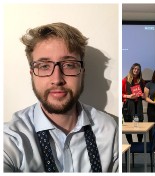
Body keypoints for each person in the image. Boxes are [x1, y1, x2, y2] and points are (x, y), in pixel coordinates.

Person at [3, 23, 118, 172]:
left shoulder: (108, 129)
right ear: (32, 74)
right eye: (44, 66)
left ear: (82, 72)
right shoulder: (11, 139)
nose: (57, 79)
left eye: (69, 65)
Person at [122, 63, 145, 144]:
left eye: (138, 69)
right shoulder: (125, 80)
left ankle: (139, 143)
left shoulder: (141, 81)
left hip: (138, 105)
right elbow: (120, 94)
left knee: (140, 125)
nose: (136, 70)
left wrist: (143, 95)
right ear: (132, 69)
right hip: (128, 105)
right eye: (135, 69)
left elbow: (143, 94)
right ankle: (130, 145)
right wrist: (128, 96)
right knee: (128, 127)